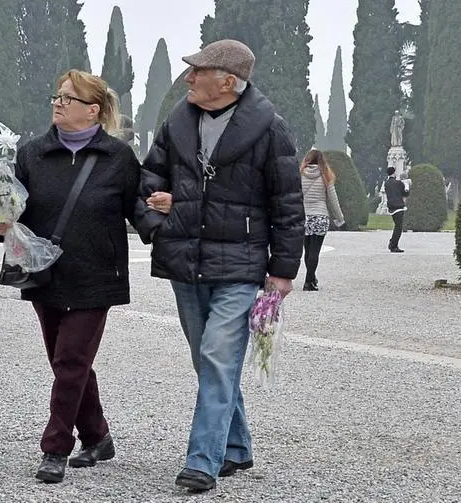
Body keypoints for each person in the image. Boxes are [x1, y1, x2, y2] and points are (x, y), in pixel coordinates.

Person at [135, 39, 304, 492]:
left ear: (227, 82)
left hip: (241, 266)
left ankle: (202, 461)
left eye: (197, 71)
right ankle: (236, 447)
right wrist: (155, 221)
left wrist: (284, 271)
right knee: (209, 361)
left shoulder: (270, 129)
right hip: (185, 261)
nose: (187, 78)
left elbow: (287, 205)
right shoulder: (178, 122)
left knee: (216, 357)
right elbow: (149, 177)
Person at [0, 70, 140, 484]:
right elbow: (12, 209)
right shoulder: (32, 153)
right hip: (45, 274)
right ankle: (97, 436)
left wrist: (167, 218)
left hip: (97, 276)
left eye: (67, 98)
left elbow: (137, 210)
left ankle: (55, 446)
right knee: (67, 363)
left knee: (71, 359)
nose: (57, 103)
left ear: (92, 110)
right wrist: (0, 223)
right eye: (56, 96)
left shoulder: (118, 157)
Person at [300, 149, 345, 291]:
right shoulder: (326, 175)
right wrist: (339, 217)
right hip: (320, 216)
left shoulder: (300, 174)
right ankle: (309, 280)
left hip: (304, 217)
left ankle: (311, 278)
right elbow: (333, 199)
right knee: (315, 251)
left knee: (307, 250)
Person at [384, 166, 410, 253]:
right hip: (398, 206)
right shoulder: (398, 183)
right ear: (394, 173)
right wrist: (406, 186)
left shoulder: (386, 183)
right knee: (398, 227)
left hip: (391, 206)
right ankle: (393, 245)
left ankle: (392, 243)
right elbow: (405, 194)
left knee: (397, 226)